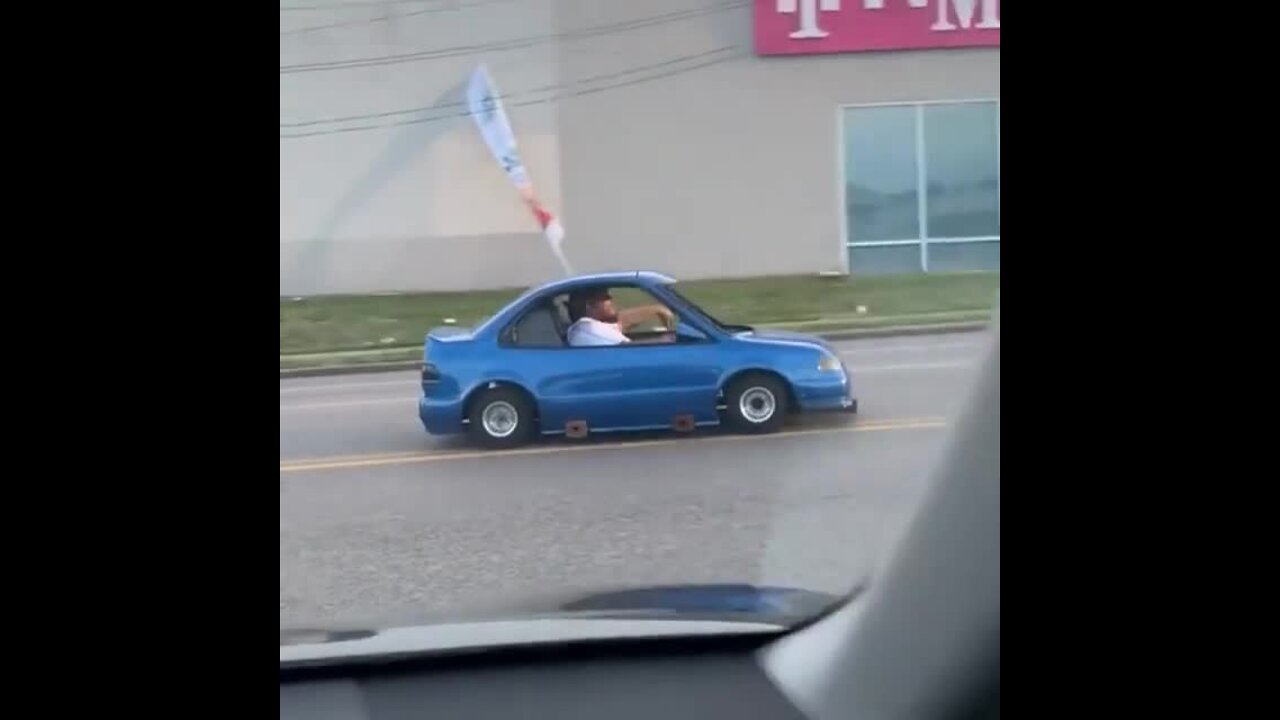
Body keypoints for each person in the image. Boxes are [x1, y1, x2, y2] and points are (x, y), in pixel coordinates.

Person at [565, 287, 675, 346]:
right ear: (590, 305)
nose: (611, 299)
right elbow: (628, 349)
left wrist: (657, 310)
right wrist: (664, 341)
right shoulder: (590, 330)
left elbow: (623, 320)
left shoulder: (588, 326)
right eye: (605, 297)